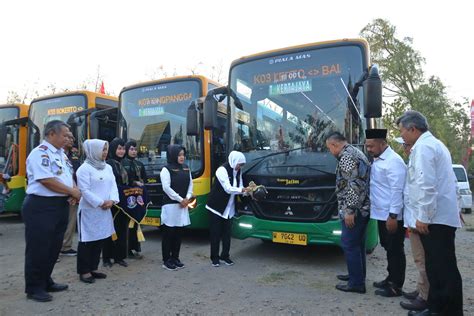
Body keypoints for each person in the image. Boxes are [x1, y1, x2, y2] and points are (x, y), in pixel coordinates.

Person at [397, 111, 463, 316]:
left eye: (402, 132)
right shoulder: (430, 144)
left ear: (413, 129)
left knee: (443, 267)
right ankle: (436, 308)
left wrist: (423, 216)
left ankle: (448, 311)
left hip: (436, 219)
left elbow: (426, 185)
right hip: (438, 216)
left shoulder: (424, 147)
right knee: (435, 267)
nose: (402, 136)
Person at [22, 120, 81, 302]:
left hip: (59, 204)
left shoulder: (61, 154)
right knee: (39, 248)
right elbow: (46, 180)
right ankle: (33, 288)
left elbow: (66, 176)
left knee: (53, 247)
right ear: (51, 134)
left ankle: (46, 280)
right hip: (41, 206)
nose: (68, 138)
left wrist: (73, 191)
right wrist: (72, 191)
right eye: (64, 135)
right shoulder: (40, 154)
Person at [325, 131, 370, 294]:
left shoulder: (346, 157)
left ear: (335, 145)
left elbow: (353, 185)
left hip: (355, 210)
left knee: (349, 244)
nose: (330, 152)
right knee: (358, 244)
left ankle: (356, 283)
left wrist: (350, 210)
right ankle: (356, 275)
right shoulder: (355, 151)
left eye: (329, 148)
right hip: (363, 208)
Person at [365, 129, 407, 297]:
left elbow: (397, 190)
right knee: (388, 248)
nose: (368, 149)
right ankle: (390, 278)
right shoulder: (379, 159)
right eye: (367, 146)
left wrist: (393, 216)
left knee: (395, 249)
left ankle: (396, 286)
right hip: (381, 214)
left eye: (371, 146)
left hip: (392, 215)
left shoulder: (393, 161)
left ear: (382, 143)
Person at [393, 137, 430, 312]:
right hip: (414, 219)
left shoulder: (422, 156)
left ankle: (424, 297)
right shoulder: (412, 161)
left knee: (422, 259)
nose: (404, 148)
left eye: (406, 145)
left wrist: (419, 218)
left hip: (420, 220)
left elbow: (425, 189)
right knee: (419, 259)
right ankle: (422, 290)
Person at [76, 139, 118, 283]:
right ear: (93, 150)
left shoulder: (107, 167)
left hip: (105, 209)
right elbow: (84, 190)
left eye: (106, 149)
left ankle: (93, 268)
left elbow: (113, 185)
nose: (105, 152)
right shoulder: (84, 169)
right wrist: (100, 202)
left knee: (99, 239)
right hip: (89, 210)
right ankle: (84, 271)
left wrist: (112, 201)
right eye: (102, 149)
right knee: (87, 241)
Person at [206, 151, 247, 267]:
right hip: (216, 208)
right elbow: (228, 189)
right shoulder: (222, 170)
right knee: (215, 233)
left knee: (227, 234)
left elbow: (240, 186)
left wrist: (248, 191)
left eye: (242, 164)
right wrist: (242, 190)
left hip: (229, 208)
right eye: (239, 164)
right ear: (233, 161)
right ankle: (214, 258)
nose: (240, 167)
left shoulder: (239, 171)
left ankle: (225, 256)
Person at [159, 144, 193, 271]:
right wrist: (180, 199)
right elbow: (166, 188)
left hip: (182, 205)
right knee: (169, 234)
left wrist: (187, 198)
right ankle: (166, 260)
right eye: (179, 155)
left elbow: (191, 185)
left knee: (178, 234)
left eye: (183, 154)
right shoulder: (166, 169)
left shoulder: (186, 168)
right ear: (173, 155)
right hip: (170, 206)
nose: (182, 157)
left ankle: (175, 258)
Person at [102, 138, 129, 268]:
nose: (122, 151)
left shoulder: (124, 163)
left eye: (123, 148)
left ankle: (119, 257)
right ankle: (107, 258)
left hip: (123, 203)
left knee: (121, 230)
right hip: (111, 203)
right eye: (119, 148)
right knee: (109, 230)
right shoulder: (108, 165)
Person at [122, 139, 147, 259]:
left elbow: (144, 179)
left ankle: (135, 248)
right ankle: (126, 250)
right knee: (127, 224)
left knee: (136, 223)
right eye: (131, 149)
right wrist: (134, 183)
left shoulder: (140, 164)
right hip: (127, 197)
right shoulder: (122, 163)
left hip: (138, 197)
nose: (133, 151)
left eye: (135, 149)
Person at [60, 131, 81, 256]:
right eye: (68, 137)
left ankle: (66, 247)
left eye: (72, 137)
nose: (71, 140)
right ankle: (55, 250)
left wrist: (75, 192)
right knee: (57, 223)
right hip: (60, 193)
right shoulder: (55, 155)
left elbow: (75, 173)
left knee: (71, 221)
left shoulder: (74, 154)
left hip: (73, 193)